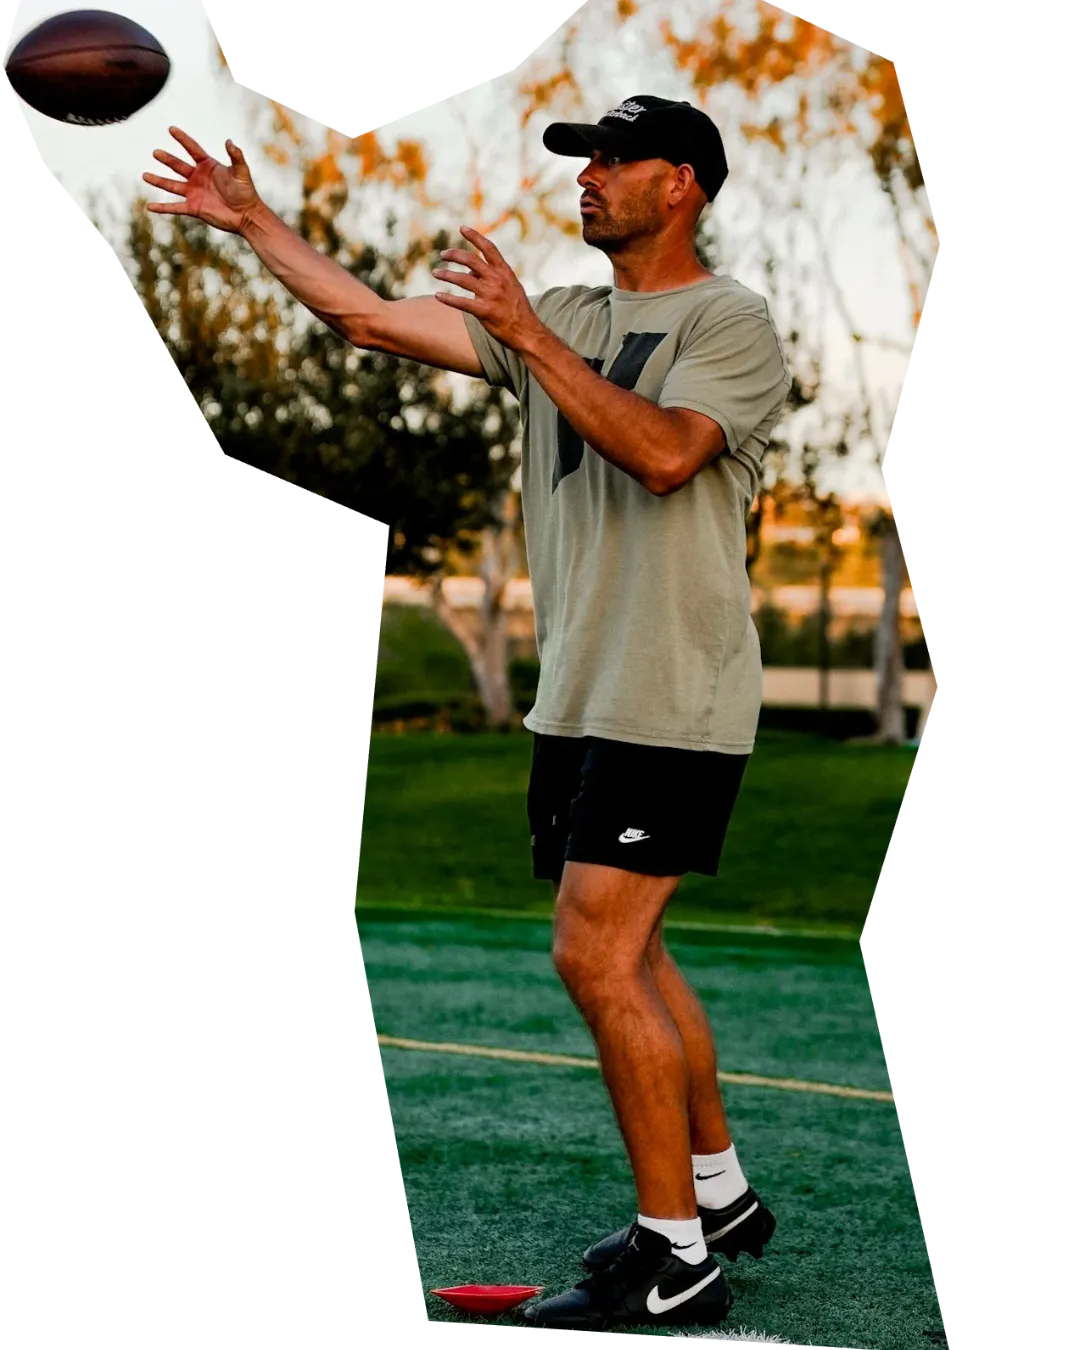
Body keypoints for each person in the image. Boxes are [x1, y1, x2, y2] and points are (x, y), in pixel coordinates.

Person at [143, 94, 792, 1332]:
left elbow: (664, 453)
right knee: (636, 951)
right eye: (582, 159)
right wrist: (254, 224)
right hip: (582, 695)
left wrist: (530, 339)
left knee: (592, 953)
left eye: (617, 159)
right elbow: (365, 317)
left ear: (686, 184)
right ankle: (719, 1197)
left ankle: (677, 1255)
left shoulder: (729, 321)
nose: (590, 176)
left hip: (673, 690)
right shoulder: (569, 315)